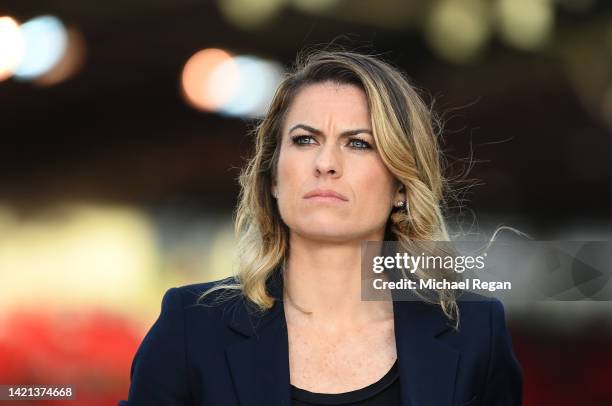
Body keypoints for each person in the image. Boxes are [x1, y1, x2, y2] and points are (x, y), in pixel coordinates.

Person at [119, 49, 523, 406]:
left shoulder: (475, 333)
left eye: (359, 143)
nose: (325, 163)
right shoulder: (191, 326)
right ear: (273, 177)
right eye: (305, 140)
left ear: (401, 185)